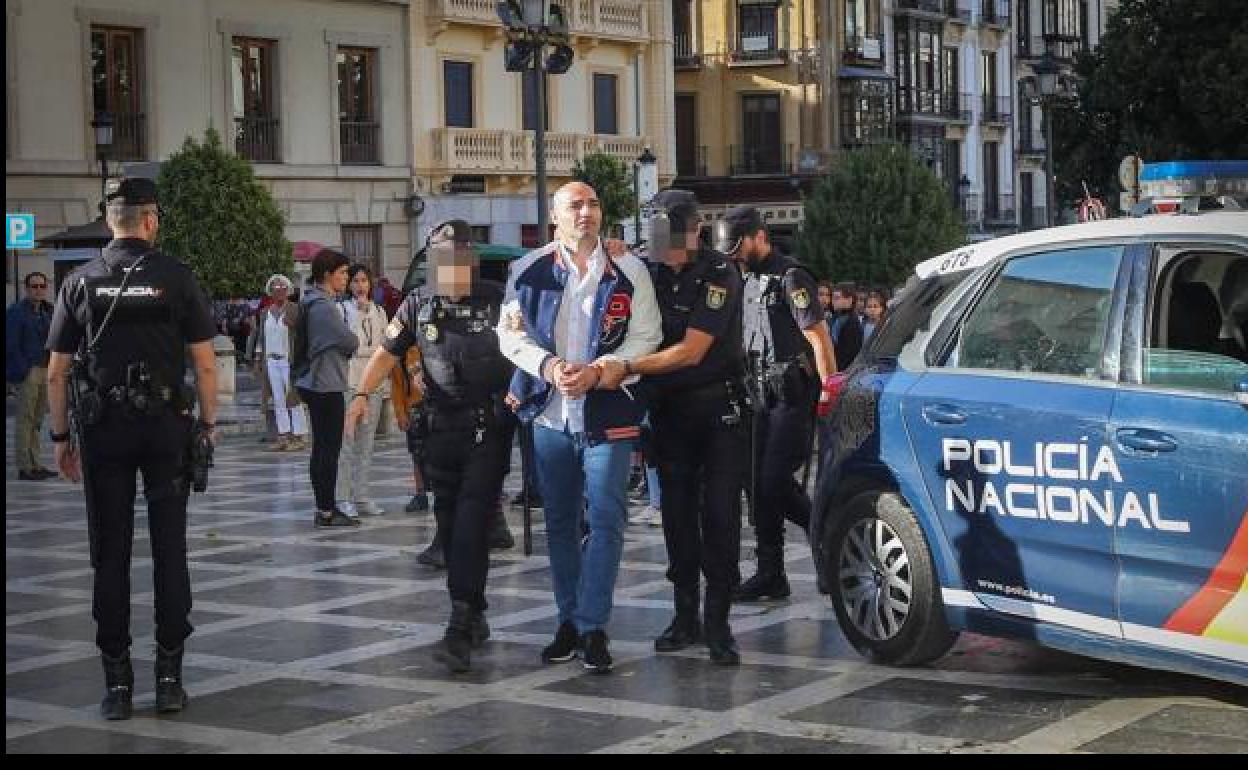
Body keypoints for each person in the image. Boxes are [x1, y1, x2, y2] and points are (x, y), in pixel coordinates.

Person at [44, 177, 218, 720]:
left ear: (111, 220)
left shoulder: (80, 281)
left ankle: (116, 684)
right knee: (170, 550)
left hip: (104, 432)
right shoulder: (178, 277)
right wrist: (207, 425)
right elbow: (206, 363)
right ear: (150, 220)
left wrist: (59, 437)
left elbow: (56, 373)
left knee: (109, 553)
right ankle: (169, 679)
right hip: (166, 427)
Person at [497, 181, 662, 674]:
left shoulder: (629, 268)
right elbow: (510, 334)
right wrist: (547, 367)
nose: (586, 211)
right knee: (561, 522)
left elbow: (646, 333)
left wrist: (604, 367)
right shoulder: (527, 270)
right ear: (555, 215)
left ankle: (593, 625)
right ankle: (568, 620)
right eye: (576, 205)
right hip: (549, 413)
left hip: (609, 411)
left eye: (593, 203)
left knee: (608, 518)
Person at [346, 220, 515, 672]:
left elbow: (526, 351)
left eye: (458, 258)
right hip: (439, 431)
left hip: (486, 429)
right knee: (449, 522)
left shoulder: (499, 299)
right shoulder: (419, 303)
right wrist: (362, 396)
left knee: (470, 522)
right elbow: (387, 353)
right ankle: (474, 610)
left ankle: (459, 622)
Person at [595, 189, 749, 664]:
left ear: (695, 230)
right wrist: (610, 250)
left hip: (719, 412)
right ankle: (686, 617)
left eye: (671, 238)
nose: (664, 249)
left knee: (720, 517)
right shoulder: (648, 269)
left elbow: (692, 351)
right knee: (677, 517)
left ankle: (719, 622)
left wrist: (628, 367)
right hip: (670, 412)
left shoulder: (721, 273)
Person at [713, 205, 838, 603]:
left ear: (759, 236)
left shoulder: (790, 277)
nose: (734, 255)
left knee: (772, 482)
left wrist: (828, 390)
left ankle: (830, 542)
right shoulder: (742, 277)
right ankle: (770, 573)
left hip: (791, 398)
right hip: (756, 395)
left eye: (739, 246)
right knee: (759, 485)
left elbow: (819, 338)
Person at [295, 248, 360, 527]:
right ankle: (326, 510)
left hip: (318, 380)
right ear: (326, 275)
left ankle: (324, 507)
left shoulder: (314, 302)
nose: (346, 278)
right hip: (325, 383)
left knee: (322, 447)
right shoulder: (322, 306)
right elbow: (349, 341)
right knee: (328, 449)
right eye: (342, 273)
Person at [336, 264, 391, 518]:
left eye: (364, 281)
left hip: (374, 384)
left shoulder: (380, 312)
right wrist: (358, 314)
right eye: (355, 281)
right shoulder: (341, 311)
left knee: (367, 444)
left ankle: (362, 496)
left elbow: (386, 348)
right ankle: (342, 496)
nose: (360, 286)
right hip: (350, 382)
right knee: (346, 442)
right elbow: (345, 343)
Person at [251, 274, 309, 451]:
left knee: (294, 398)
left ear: (288, 290)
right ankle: (283, 435)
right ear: (271, 292)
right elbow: (261, 337)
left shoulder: (295, 309)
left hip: (288, 360)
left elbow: (303, 333)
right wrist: (257, 358)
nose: (280, 291)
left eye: (283, 288)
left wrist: (293, 326)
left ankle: (299, 436)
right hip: (271, 360)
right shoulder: (265, 312)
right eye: (276, 288)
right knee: (277, 399)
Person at [7, 272, 56, 480]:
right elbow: (10, 344)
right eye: (34, 286)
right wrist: (23, 369)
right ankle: (25, 466)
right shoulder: (16, 312)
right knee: (25, 419)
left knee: (37, 420)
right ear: (26, 289)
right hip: (28, 371)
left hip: (45, 369)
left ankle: (36, 463)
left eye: (41, 286)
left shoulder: (47, 311)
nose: (38, 290)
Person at [389, 345, 430, 513]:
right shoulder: (401, 350)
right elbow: (397, 385)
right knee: (417, 453)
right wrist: (400, 413)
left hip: (440, 404)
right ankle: (420, 494)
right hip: (414, 407)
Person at [827, 282, 864, 370]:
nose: (833, 301)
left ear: (849, 300)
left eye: (837, 298)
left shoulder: (852, 322)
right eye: (833, 298)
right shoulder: (836, 317)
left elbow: (850, 353)